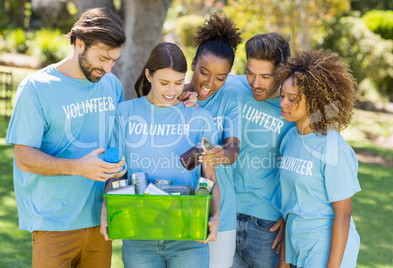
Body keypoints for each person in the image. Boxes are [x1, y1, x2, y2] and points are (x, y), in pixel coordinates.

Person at [5, 8, 197, 267]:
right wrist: (77, 167)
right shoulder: (37, 88)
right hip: (53, 224)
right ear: (79, 43)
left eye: (114, 61)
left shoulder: (110, 85)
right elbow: (23, 157)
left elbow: (130, 127)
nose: (108, 68)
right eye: (103, 58)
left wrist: (180, 94)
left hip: (100, 223)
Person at [100, 42, 221, 268]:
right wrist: (106, 210)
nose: (172, 91)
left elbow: (210, 179)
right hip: (139, 233)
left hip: (189, 236)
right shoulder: (125, 113)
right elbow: (116, 173)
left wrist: (215, 217)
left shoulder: (200, 118)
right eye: (164, 83)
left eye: (178, 83)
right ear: (148, 74)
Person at [277, 50, 361, 268]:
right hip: (298, 246)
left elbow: (343, 215)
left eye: (292, 98)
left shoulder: (332, 146)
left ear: (315, 101)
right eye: (282, 95)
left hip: (325, 251)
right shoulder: (289, 139)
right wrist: (283, 263)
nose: (283, 103)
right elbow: (291, 207)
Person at [222, 33, 295, 268]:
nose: (255, 83)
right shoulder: (232, 87)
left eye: (265, 76)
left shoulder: (293, 109)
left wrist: (290, 217)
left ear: (282, 73)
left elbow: (304, 169)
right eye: (251, 73)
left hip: (267, 226)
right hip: (226, 215)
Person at [183, 13, 242, 268]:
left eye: (221, 77)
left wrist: (222, 154)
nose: (210, 84)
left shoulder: (230, 99)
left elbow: (233, 148)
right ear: (193, 62)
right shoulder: (173, 94)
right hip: (180, 203)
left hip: (221, 211)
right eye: (204, 72)